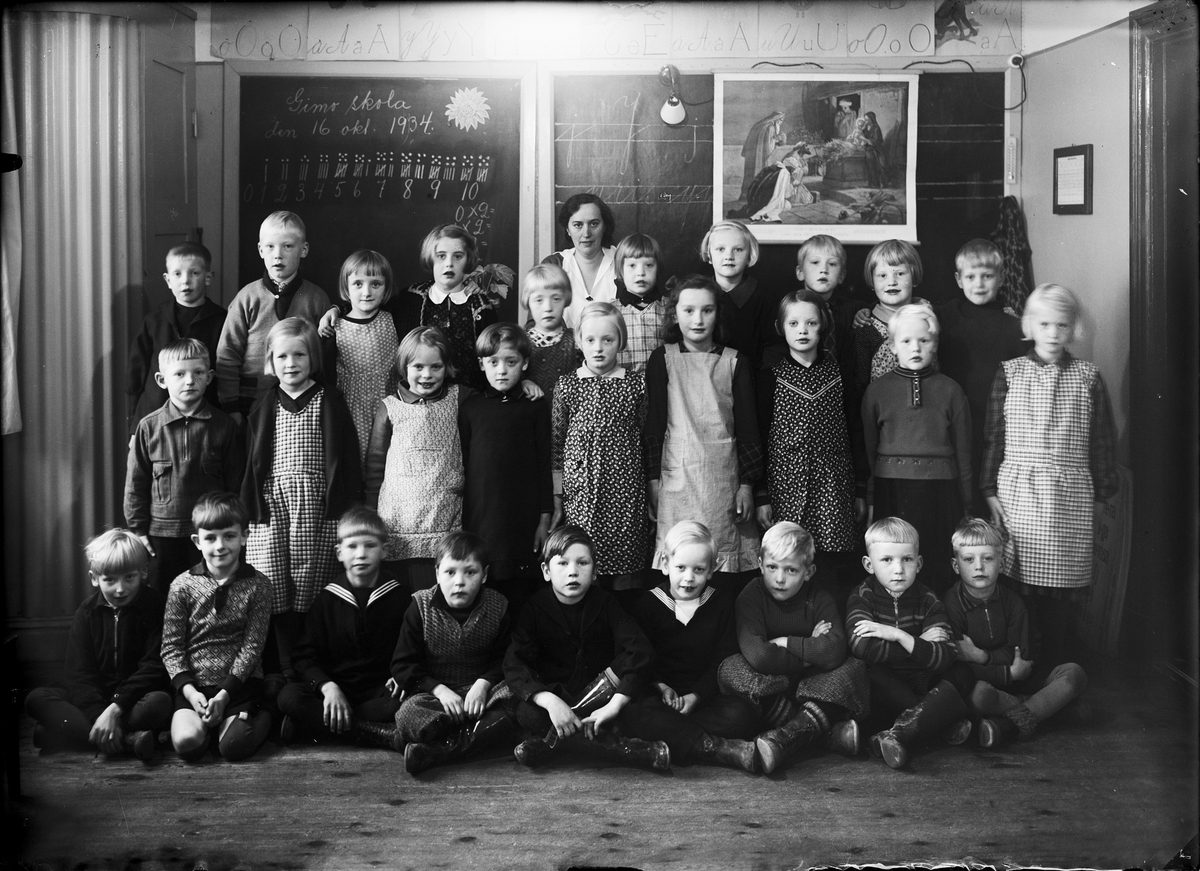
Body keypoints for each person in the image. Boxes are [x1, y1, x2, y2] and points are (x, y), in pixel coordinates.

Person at [981, 284, 1118, 664]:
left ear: (1073, 328)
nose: (1053, 333)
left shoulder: (1088, 377)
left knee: (1061, 589)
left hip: (1069, 497)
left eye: (1062, 325)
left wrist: (1102, 494)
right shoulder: (1010, 372)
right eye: (1045, 324)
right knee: (1018, 584)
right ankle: (1020, 665)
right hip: (1019, 493)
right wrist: (989, 490)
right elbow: (994, 437)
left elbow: (1101, 441)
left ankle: (1055, 666)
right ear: (1030, 325)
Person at [241, 318, 363, 681]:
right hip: (272, 504)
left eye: (299, 355)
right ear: (270, 360)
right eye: (282, 357)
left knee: (311, 581)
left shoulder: (329, 399)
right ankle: (283, 669)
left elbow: (348, 457)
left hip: (316, 505)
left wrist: (349, 506)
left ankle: (311, 667)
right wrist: (250, 508)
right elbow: (252, 461)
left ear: (313, 358)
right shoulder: (265, 402)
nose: (291, 364)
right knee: (274, 582)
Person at [503, 525, 668, 771]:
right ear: (546, 571)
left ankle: (551, 744)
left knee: (631, 685)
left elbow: (640, 651)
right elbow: (514, 663)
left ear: (594, 571)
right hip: (558, 697)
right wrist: (550, 702)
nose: (573, 571)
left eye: (582, 563)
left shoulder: (606, 603)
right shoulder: (534, 608)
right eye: (563, 563)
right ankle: (624, 750)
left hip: (601, 699)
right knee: (527, 712)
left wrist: (613, 706)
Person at [717, 522, 868, 775]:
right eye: (772, 567)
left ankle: (784, 738)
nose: (779, 578)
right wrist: (810, 650)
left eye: (791, 570)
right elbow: (760, 656)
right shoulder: (751, 595)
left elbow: (834, 651)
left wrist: (785, 641)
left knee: (854, 667)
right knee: (730, 668)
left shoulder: (819, 598)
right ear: (760, 564)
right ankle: (819, 732)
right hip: (769, 685)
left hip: (812, 686)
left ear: (808, 572)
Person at [646, 276, 763, 586]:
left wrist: (747, 485)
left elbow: (749, 430)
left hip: (722, 481)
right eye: (689, 310)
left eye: (707, 310)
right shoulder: (662, 359)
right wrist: (653, 480)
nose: (697, 320)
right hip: (676, 480)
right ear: (675, 315)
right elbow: (654, 426)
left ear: (717, 314)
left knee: (720, 571)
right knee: (681, 567)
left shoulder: (735, 361)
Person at [622, 522, 762, 772]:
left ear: (711, 570)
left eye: (698, 569)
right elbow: (641, 658)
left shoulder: (719, 603)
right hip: (661, 697)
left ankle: (677, 740)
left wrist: (695, 697)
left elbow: (723, 659)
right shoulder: (649, 604)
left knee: (741, 715)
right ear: (665, 564)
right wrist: (661, 687)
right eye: (681, 568)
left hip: (703, 698)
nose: (688, 578)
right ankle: (714, 747)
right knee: (634, 714)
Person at [756, 291, 865, 610]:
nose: (802, 330)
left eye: (811, 323)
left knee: (828, 565)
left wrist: (861, 489)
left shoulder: (839, 374)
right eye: (793, 323)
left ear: (823, 326)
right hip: (785, 488)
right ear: (780, 328)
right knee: (788, 558)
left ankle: (829, 627)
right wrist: (761, 494)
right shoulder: (770, 377)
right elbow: (759, 437)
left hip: (833, 487)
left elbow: (855, 432)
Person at [24, 530, 171, 760]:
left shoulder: (155, 606)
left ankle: (63, 734)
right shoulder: (87, 612)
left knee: (160, 703)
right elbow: (78, 674)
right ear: (94, 578)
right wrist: (99, 715)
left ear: (143, 572)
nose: (120, 589)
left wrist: (114, 709)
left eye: (129, 577)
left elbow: (154, 667)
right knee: (36, 698)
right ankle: (127, 740)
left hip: (133, 700)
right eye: (109, 580)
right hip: (95, 698)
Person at [942, 518, 1088, 748]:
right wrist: (1007, 673)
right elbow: (960, 664)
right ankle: (1044, 709)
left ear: (1001, 563)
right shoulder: (951, 604)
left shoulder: (1013, 602)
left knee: (1074, 673)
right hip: (985, 686)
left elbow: (1021, 657)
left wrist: (981, 656)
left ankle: (1009, 722)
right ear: (955, 565)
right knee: (978, 695)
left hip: (1021, 681)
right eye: (969, 559)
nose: (979, 567)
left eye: (988, 558)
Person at [276, 507, 410, 749]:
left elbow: (410, 647)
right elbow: (304, 657)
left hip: (377, 690)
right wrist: (327, 687)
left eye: (370, 545)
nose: (361, 554)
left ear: (384, 550)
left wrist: (401, 676)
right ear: (339, 553)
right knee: (289, 697)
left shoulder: (399, 597)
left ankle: (315, 726)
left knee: (401, 703)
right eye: (352, 546)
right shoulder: (327, 600)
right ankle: (372, 732)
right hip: (336, 687)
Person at [861, 305, 972, 595]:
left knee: (937, 563)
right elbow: (869, 452)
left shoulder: (951, 390)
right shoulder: (877, 391)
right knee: (894, 561)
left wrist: (967, 501)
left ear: (934, 344)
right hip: (892, 489)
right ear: (892, 346)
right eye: (906, 340)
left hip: (941, 490)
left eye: (924, 340)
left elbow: (963, 451)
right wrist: (871, 498)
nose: (915, 348)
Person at [846, 517, 973, 770]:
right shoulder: (862, 596)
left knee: (963, 672)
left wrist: (899, 636)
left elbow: (946, 653)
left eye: (907, 559)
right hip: (887, 686)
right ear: (869, 564)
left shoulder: (928, 599)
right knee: (865, 669)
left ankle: (897, 734)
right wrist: (919, 643)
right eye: (887, 560)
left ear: (919, 563)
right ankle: (935, 722)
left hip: (922, 678)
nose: (899, 569)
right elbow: (863, 648)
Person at [124, 339, 244, 590]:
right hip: (162, 535)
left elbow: (235, 484)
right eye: (179, 374)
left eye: (198, 373)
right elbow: (136, 484)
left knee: (209, 594)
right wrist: (138, 530)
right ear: (162, 380)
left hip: (210, 534)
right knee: (162, 597)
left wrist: (231, 527)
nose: (190, 380)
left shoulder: (224, 426)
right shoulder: (148, 427)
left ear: (209, 377)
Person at [162, 492, 273, 762]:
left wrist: (224, 695)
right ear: (197, 541)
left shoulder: (259, 585)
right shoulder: (182, 586)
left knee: (234, 747)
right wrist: (191, 693)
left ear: (244, 536)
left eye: (229, 536)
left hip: (238, 685)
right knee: (186, 744)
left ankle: (268, 713)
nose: (220, 546)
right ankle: (207, 728)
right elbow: (171, 647)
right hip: (195, 686)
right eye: (210, 538)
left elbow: (252, 647)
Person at [392, 531, 515, 774]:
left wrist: (482, 685)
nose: (459, 581)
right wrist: (439, 690)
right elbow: (402, 665)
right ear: (437, 573)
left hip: (483, 695)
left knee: (517, 699)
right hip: (438, 697)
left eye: (470, 572)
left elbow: (506, 658)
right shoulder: (420, 606)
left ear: (484, 575)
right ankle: (477, 736)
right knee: (408, 714)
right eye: (450, 572)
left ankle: (439, 750)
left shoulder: (498, 605)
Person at [551, 302, 649, 600]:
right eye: (590, 339)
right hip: (582, 497)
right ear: (579, 341)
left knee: (625, 579)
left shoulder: (635, 385)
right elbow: (557, 443)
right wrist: (558, 495)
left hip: (626, 495)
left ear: (621, 341)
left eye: (608, 339)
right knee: (583, 565)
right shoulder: (567, 385)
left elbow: (644, 433)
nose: (598, 348)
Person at [364, 326, 468, 592]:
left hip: (444, 515)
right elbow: (375, 465)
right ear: (404, 367)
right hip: (398, 519)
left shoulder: (459, 398)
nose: (427, 375)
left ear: (446, 367)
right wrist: (371, 515)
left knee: (437, 593)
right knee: (403, 595)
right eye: (418, 366)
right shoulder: (389, 407)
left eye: (436, 367)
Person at [458, 323, 553, 609]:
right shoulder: (471, 408)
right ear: (481, 364)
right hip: (482, 520)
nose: (502, 370)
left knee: (523, 598)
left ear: (524, 363)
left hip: (524, 521)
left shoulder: (535, 406)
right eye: (493, 362)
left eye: (511, 362)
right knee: (486, 596)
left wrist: (544, 519)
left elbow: (544, 463)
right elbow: (464, 467)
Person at [935, 239, 1027, 515]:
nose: (979, 284)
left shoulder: (1015, 327)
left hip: (995, 426)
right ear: (958, 279)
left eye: (987, 276)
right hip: (951, 421)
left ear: (1001, 278)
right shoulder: (946, 315)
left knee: (988, 499)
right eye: (971, 277)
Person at [216, 211, 331, 419]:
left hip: (302, 405)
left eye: (287, 246)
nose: (278, 255)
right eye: (270, 246)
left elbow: (325, 358)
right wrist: (231, 406)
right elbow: (227, 354)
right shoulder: (247, 298)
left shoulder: (316, 299)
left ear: (303, 249)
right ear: (260, 250)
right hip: (251, 402)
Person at [126, 242, 226, 436]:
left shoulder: (222, 320)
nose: (185, 281)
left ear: (208, 277)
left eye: (194, 273)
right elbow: (135, 375)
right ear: (168, 280)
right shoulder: (154, 321)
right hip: (155, 417)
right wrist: (134, 426)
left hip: (204, 419)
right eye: (177, 274)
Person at [319, 250, 401, 469]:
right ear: (346, 288)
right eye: (358, 284)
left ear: (386, 287)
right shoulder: (335, 327)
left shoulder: (393, 319)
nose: (367, 292)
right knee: (355, 462)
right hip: (351, 408)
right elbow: (326, 377)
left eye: (376, 284)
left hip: (389, 404)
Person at [699, 219, 788, 378]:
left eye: (738, 249)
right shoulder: (698, 294)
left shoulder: (764, 297)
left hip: (752, 380)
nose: (729, 256)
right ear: (709, 255)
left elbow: (774, 347)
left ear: (749, 256)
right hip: (704, 378)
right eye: (720, 249)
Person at [852, 239, 933, 395]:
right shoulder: (867, 327)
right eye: (882, 275)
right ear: (872, 281)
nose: (892, 282)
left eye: (900, 274)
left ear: (914, 276)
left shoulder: (928, 318)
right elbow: (860, 383)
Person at [542, 193, 619, 329]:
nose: (586, 233)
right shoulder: (553, 265)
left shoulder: (623, 261)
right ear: (568, 229)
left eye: (594, 224)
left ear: (605, 226)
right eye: (578, 225)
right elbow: (536, 324)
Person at [612, 233, 668, 374]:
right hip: (622, 385)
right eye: (632, 265)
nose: (641, 273)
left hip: (661, 383)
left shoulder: (670, 308)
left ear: (658, 268)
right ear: (620, 270)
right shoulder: (610, 312)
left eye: (649, 265)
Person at [522, 263, 579, 400]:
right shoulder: (520, 341)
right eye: (539, 300)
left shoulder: (576, 340)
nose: (548, 307)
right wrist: (522, 382)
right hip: (532, 410)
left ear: (566, 300)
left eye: (556, 299)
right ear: (528, 302)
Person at [745, 148, 815, 223]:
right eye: (793, 169)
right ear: (790, 167)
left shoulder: (775, 168)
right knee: (788, 206)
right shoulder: (785, 173)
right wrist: (791, 182)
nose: (793, 171)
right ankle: (765, 212)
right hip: (766, 200)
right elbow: (787, 194)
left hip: (756, 198)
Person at [739, 110, 785, 200]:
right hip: (761, 156)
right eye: (780, 120)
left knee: (750, 174)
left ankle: (745, 195)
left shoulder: (760, 125)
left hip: (751, 155)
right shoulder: (770, 127)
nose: (781, 122)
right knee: (761, 174)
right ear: (776, 119)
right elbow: (768, 146)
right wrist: (779, 140)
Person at [854, 112, 887, 188]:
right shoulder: (865, 128)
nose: (865, 121)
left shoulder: (876, 129)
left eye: (867, 119)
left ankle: (875, 183)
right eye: (865, 119)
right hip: (867, 147)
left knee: (870, 159)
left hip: (876, 149)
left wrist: (863, 139)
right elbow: (861, 135)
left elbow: (875, 142)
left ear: (871, 119)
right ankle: (868, 182)